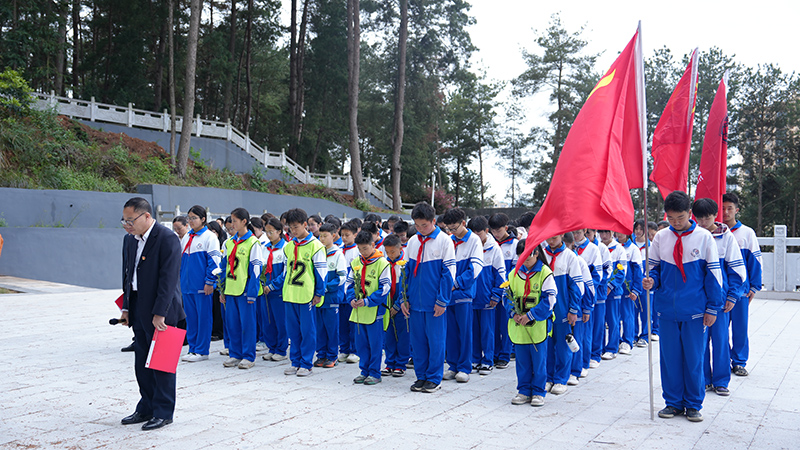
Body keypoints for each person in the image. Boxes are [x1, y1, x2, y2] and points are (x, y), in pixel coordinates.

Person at [643, 190, 723, 423]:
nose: (675, 223)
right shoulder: (660, 238)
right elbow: (653, 269)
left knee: (694, 357)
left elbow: (714, 276)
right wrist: (651, 281)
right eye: (671, 218)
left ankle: (694, 403)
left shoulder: (704, 238)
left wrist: (712, 308)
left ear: (690, 213)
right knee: (669, 358)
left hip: (696, 310)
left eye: (680, 217)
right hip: (667, 309)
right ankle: (673, 402)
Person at [119, 197, 185, 430]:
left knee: (162, 364)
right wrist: (126, 308)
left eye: (131, 220)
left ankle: (164, 411)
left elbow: (169, 280)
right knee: (141, 363)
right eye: (124, 220)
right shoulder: (130, 240)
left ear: (147, 216)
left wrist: (160, 313)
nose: (127, 225)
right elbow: (128, 277)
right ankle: (146, 407)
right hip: (138, 307)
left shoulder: (167, 239)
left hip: (163, 311)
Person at [693, 198, 746, 396]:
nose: (704, 222)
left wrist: (732, 296)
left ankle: (721, 380)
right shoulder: (694, 235)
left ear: (715, 215)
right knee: (700, 341)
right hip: (698, 300)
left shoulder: (727, 237)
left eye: (707, 217)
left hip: (721, 300)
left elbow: (736, 268)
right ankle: (704, 379)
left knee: (721, 340)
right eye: (699, 218)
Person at [401, 202, 456, 393]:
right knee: (417, 342)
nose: (420, 229)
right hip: (415, 302)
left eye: (424, 225)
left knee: (436, 341)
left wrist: (442, 300)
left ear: (433, 221)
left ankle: (434, 377)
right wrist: (403, 298)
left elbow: (448, 273)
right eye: (417, 225)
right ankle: (421, 376)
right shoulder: (413, 242)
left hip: (434, 303)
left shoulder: (444, 241)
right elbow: (405, 272)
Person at [508, 240, 557, 407]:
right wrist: (513, 313)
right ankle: (523, 390)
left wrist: (531, 315)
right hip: (519, 326)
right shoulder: (513, 273)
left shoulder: (545, 273)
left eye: (527, 257)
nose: (524, 261)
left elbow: (549, 300)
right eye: (521, 257)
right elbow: (506, 296)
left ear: (536, 253)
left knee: (539, 360)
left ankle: (538, 391)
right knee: (522, 361)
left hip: (537, 326)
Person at [282, 208, 328, 377]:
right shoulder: (289, 246)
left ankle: (306, 363)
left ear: (304, 225)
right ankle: (295, 361)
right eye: (290, 228)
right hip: (290, 294)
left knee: (307, 331)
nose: (293, 231)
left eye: (296, 227)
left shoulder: (316, 246)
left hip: (306, 295)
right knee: (293, 331)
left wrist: (319, 293)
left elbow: (321, 273)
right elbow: (286, 272)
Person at [440, 208, 483, 383]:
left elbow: (476, 268)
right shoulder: (449, 241)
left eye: (454, 228)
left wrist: (455, 284)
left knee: (465, 331)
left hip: (463, 293)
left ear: (463, 223)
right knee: (450, 332)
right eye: (448, 228)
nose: (452, 232)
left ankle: (465, 366)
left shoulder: (474, 241)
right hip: (448, 295)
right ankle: (453, 365)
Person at [721, 192, 762, 377]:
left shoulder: (746, 233)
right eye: (722, 209)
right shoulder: (713, 233)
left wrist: (754, 286)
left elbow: (755, 261)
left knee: (740, 327)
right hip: (720, 291)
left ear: (737, 210)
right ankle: (722, 362)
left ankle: (739, 362)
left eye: (729, 208)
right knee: (720, 330)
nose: (726, 212)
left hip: (741, 292)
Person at [219, 208, 264, 370]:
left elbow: (256, 270)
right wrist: (222, 290)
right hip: (231, 290)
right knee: (232, 324)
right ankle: (235, 354)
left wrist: (252, 292)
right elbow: (223, 267)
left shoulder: (253, 243)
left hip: (245, 291)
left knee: (247, 324)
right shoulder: (229, 242)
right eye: (231, 220)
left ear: (244, 222)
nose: (232, 223)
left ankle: (248, 356)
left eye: (235, 220)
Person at [346, 230, 391, 385]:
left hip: (374, 311)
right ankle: (364, 371)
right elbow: (348, 283)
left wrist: (368, 301)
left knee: (375, 344)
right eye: (359, 249)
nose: (362, 252)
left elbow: (385, 287)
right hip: (359, 311)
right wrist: (351, 298)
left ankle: (375, 372)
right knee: (361, 343)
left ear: (373, 245)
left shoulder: (382, 263)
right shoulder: (355, 262)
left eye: (365, 248)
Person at [543, 233, 584, 395]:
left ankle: (561, 378)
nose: (551, 241)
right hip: (544, 309)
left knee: (562, 346)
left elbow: (576, 286)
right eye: (549, 238)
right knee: (546, 345)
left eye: (554, 238)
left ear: (561, 236)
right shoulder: (542, 254)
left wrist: (573, 310)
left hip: (562, 309)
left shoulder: (569, 256)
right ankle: (548, 377)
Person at [179, 205, 221, 363]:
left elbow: (215, 261)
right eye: (188, 218)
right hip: (187, 286)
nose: (190, 221)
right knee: (191, 318)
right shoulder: (186, 237)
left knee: (203, 317)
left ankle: (202, 350)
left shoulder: (209, 237)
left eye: (194, 218)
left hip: (202, 286)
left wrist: (210, 281)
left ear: (203, 219)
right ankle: (193, 348)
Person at [469, 216, 506, 376]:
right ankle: (476, 358)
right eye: (473, 234)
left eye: (479, 233)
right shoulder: (469, 246)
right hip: (471, 297)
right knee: (474, 330)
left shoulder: (494, 249)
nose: (477, 237)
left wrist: (496, 295)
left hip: (487, 298)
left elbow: (500, 275)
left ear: (486, 231)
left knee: (488, 331)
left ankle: (488, 360)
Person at [568, 230, 600, 380]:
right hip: (565, 307)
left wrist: (587, 307)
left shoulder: (580, 260)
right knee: (568, 338)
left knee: (581, 337)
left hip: (580, 306)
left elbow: (589, 286)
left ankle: (582, 365)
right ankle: (569, 367)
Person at [314, 223, 346, 368]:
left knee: (331, 328)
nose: (322, 239)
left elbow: (341, 277)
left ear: (333, 236)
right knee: (319, 328)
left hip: (331, 297)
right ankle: (321, 354)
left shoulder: (338, 254)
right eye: (320, 236)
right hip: (317, 298)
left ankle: (332, 356)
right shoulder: (318, 252)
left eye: (325, 236)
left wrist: (324, 288)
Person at [488, 213, 518, 369]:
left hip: (507, 291)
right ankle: (493, 353)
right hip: (491, 289)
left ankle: (505, 354)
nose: (496, 234)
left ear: (506, 228)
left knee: (505, 324)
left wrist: (506, 287)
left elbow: (515, 269)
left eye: (498, 230)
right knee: (492, 324)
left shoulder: (514, 245)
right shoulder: (490, 243)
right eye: (493, 231)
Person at [260, 217, 289, 361]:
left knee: (280, 321)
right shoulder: (264, 248)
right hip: (265, 291)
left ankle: (281, 350)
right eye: (267, 232)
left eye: (271, 232)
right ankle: (271, 347)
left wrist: (272, 285)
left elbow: (286, 272)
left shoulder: (286, 248)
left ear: (279, 231)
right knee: (267, 320)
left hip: (278, 291)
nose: (268, 235)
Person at [382, 234, 411, 377]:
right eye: (387, 252)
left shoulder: (405, 263)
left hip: (401, 304)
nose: (390, 255)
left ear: (400, 248)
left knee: (403, 334)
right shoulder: (384, 263)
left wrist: (398, 305)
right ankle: (390, 362)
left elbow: (406, 286)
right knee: (389, 335)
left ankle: (401, 364)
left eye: (393, 252)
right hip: (387, 303)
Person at [599, 230, 627, 361]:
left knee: (613, 320)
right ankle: (600, 347)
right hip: (600, 291)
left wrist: (610, 286)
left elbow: (621, 272)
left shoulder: (619, 249)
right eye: (601, 233)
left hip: (613, 292)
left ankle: (612, 348)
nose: (604, 236)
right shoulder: (598, 247)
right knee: (600, 322)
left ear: (612, 233)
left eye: (606, 233)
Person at [616, 231, 643, 356]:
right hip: (615, 288)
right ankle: (616, 341)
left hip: (628, 288)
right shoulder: (614, 247)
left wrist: (636, 289)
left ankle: (627, 340)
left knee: (627, 315)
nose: (618, 234)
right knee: (615, 316)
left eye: (621, 232)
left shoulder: (633, 249)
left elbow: (638, 270)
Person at [338, 220, 361, 364]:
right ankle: (344, 349)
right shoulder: (339, 249)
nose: (344, 238)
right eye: (342, 235)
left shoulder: (358, 251)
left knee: (353, 323)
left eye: (347, 235)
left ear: (355, 235)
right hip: (341, 293)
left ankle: (354, 350)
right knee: (343, 324)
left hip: (352, 292)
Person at [206, 220, 227, 341]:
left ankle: (219, 331)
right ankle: (213, 330)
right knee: (213, 307)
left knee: (219, 308)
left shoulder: (222, 243)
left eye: (214, 231)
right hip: (212, 279)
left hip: (218, 280)